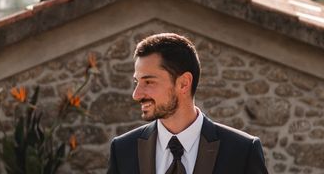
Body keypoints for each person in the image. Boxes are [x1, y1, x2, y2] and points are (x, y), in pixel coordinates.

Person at [107, 33, 269, 174]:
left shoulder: (242, 151)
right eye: (137, 82)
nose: (136, 95)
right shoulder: (123, 150)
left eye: (148, 82)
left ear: (184, 83)